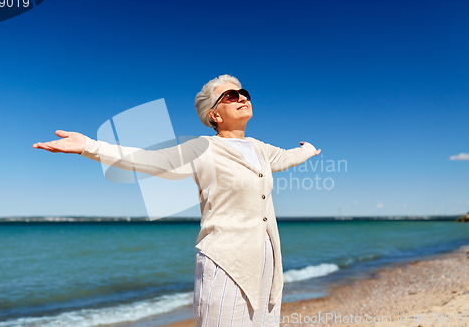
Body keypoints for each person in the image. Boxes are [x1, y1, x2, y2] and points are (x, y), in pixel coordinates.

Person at [33, 74, 321, 327]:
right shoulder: (203, 147)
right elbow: (148, 160)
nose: (241, 97)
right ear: (215, 115)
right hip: (226, 262)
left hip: (267, 262)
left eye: (243, 93)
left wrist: (308, 150)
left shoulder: (259, 148)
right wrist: (89, 146)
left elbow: (286, 157)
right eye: (231, 95)